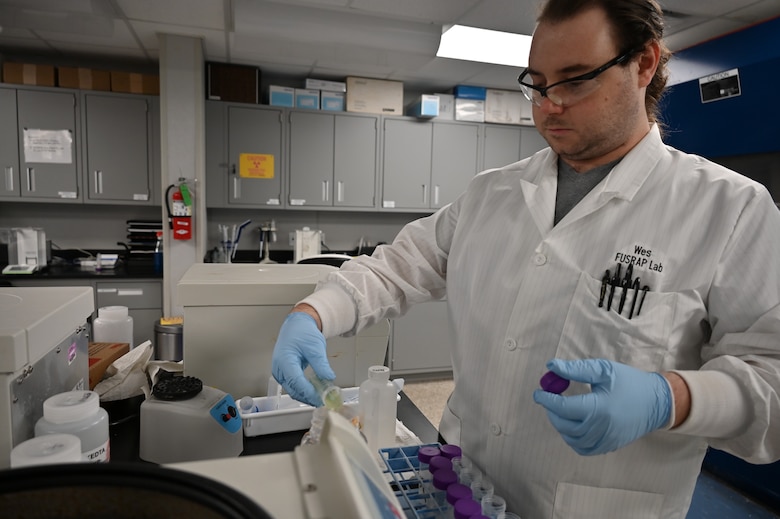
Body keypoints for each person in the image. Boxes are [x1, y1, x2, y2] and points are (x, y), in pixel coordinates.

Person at [272, 0, 780, 516]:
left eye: (575, 79)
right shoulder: (492, 193)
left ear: (644, 64)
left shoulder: (729, 209)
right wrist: (313, 313)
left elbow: (773, 388)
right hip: (459, 493)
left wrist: (671, 398)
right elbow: (397, 266)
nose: (548, 104)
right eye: (536, 83)